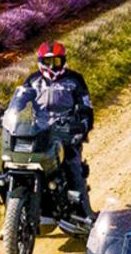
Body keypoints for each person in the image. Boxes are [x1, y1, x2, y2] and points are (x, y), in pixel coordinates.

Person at [22, 41, 95, 224]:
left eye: (56, 61)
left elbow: (86, 106)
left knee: (73, 167)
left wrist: (83, 124)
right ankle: (11, 218)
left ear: (64, 61)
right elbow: (19, 101)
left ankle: (86, 213)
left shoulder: (75, 80)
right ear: (40, 62)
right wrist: (4, 115)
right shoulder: (32, 80)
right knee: (19, 167)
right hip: (38, 132)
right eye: (48, 62)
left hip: (66, 133)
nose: (52, 66)